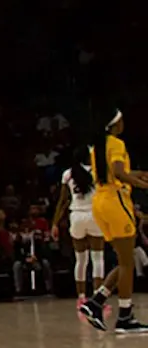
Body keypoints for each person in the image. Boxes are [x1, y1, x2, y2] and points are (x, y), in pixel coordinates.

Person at [81, 109, 148, 332]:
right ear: (115, 124)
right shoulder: (117, 143)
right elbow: (119, 174)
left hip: (100, 202)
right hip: (116, 200)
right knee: (128, 262)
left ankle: (95, 302)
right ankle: (125, 318)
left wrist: (138, 174)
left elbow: (114, 173)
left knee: (123, 260)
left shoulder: (97, 146)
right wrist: (143, 185)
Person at [53, 146, 106, 305]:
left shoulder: (67, 174)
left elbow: (63, 201)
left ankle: (81, 298)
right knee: (97, 258)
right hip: (94, 215)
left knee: (80, 260)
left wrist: (55, 223)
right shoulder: (98, 172)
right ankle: (97, 298)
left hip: (76, 216)